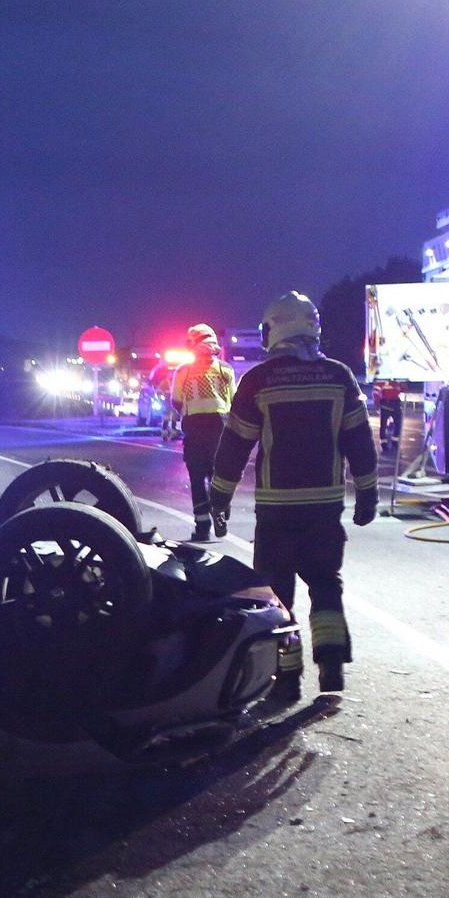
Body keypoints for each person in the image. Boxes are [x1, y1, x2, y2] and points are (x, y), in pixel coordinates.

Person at [209, 291, 380, 703]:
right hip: (324, 507)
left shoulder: (258, 381)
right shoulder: (339, 376)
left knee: (276, 595)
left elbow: (235, 446)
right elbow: (359, 441)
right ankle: (332, 663)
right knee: (325, 584)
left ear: (275, 329)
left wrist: (219, 498)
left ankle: (286, 680)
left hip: (277, 510)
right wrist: (368, 493)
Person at [174, 323, 238, 542]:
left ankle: (202, 527)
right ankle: (221, 508)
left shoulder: (183, 371)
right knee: (217, 474)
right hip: (220, 427)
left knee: (196, 477)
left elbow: (176, 401)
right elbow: (234, 400)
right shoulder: (225, 369)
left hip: (194, 427)